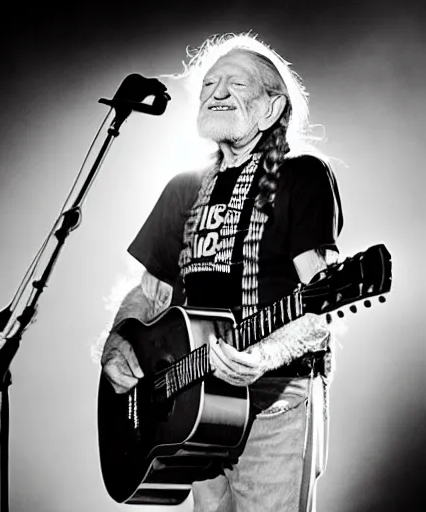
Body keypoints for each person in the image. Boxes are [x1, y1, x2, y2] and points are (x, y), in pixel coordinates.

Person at [100, 32, 343, 512]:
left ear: (271, 109)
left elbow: (321, 307)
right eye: (209, 84)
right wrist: (118, 342)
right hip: (196, 404)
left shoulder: (302, 176)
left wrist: (267, 353)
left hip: (276, 400)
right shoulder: (182, 187)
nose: (216, 92)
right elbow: (147, 296)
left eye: (236, 83)